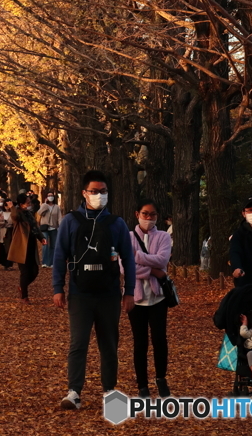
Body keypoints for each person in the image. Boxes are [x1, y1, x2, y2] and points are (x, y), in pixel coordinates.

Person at [52, 169, 136, 411]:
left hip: (109, 293)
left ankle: (110, 391)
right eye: (94, 191)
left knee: (109, 344)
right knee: (78, 343)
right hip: (80, 293)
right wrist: (58, 288)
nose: (99, 195)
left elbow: (128, 259)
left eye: (103, 192)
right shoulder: (71, 221)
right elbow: (59, 256)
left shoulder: (116, 223)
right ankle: (74, 391)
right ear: (83, 193)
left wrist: (129, 291)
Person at [127, 199, 172, 398]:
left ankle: (161, 378)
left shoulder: (163, 236)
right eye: (145, 214)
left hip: (157, 298)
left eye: (152, 215)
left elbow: (163, 260)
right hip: (136, 298)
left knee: (159, 339)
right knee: (140, 342)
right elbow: (123, 267)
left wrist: (137, 257)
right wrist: (154, 270)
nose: (148, 218)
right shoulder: (127, 237)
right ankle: (142, 385)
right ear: (137, 214)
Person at [8, 192, 46, 302]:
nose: (29, 204)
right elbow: (14, 217)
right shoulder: (18, 213)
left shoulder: (29, 213)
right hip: (21, 245)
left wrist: (41, 237)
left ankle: (22, 287)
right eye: (27, 203)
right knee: (24, 271)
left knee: (34, 271)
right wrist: (12, 208)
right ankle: (24, 296)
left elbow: (35, 227)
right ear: (21, 204)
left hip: (31, 244)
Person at [38, 193, 62, 268]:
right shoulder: (44, 205)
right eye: (49, 196)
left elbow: (59, 217)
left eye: (51, 196)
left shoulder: (57, 207)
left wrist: (60, 226)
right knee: (45, 245)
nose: (50, 197)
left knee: (53, 246)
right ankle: (44, 262)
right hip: (45, 228)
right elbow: (39, 213)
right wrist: (45, 204)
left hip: (54, 228)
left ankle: (52, 262)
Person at [0, 197, 15, 269]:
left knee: (10, 247)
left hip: (11, 231)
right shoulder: (1, 213)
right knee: (3, 247)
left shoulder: (13, 213)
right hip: (3, 231)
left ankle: (9, 264)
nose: (7, 207)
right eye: (6, 205)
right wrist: (2, 222)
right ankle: (4, 263)